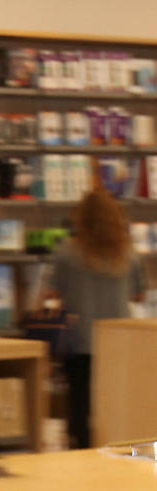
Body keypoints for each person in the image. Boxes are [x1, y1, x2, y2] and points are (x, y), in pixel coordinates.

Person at [45, 189, 144, 448]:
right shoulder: (128, 254)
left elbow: (52, 294)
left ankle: (80, 452)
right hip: (121, 343)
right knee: (117, 402)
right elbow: (138, 295)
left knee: (79, 404)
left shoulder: (67, 253)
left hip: (79, 342)